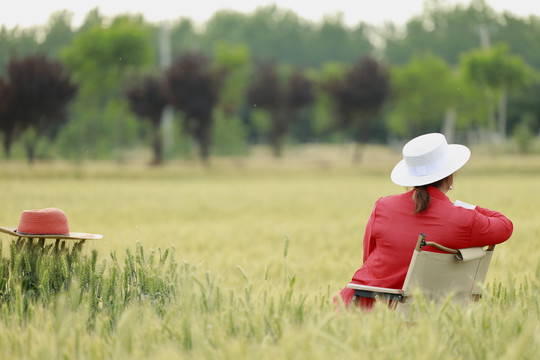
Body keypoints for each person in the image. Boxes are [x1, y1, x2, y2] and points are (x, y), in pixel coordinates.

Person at [336, 133, 513, 308]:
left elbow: (367, 259)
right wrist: (464, 207)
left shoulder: (382, 206)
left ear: (410, 177)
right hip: (417, 312)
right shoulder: (462, 219)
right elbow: (505, 225)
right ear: (450, 176)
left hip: (358, 305)